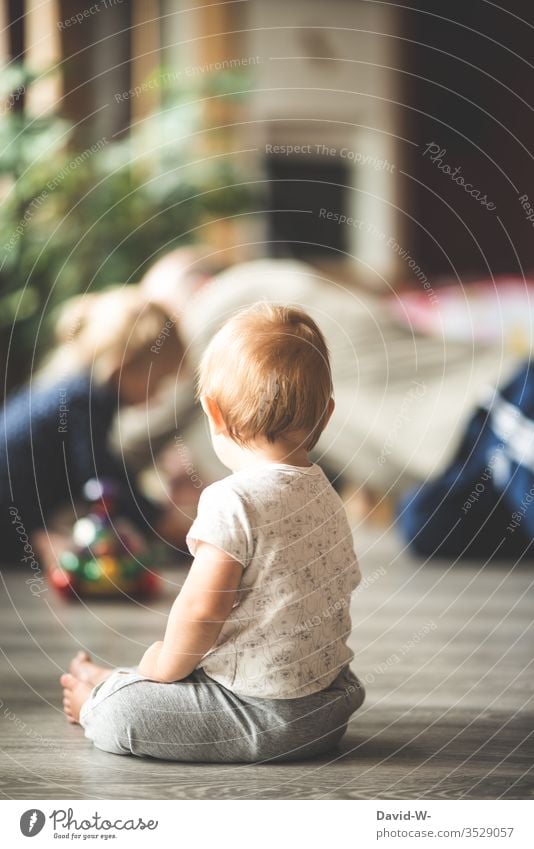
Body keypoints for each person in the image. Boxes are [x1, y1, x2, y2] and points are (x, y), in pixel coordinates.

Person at [60, 303, 365, 763]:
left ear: (213, 413)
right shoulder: (325, 494)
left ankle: (103, 696)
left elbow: (202, 611)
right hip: (328, 705)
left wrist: (162, 667)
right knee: (174, 678)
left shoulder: (233, 500)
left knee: (124, 711)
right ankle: (117, 681)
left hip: (267, 716)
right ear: (326, 416)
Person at [0, 286, 189, 568]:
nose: (159, 395)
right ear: (124, 367)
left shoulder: (80, 391)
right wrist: (155, 519)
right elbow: (98, 478)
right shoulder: (82, 400)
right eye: (158, 381)